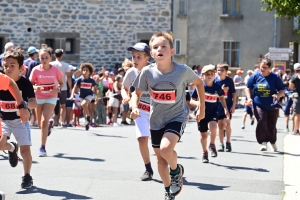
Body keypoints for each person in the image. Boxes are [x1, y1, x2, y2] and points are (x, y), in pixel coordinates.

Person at [130, 31, 205, 199]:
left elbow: (199, 84)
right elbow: (137, 93)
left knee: (165, 148)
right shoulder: (147, 72)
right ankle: (167, 190)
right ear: (151, 53)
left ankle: (176, 171)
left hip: (176, 117)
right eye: (155, 47)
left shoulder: (182, 71)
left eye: (164, 46)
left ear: (172, 51)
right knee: (160, 159)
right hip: (156, 120)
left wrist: (202, 109)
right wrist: (135, 107)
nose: (159, 49)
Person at [0, 50, 34, 188]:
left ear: (21, 68)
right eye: (5, 65)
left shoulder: (25, 83)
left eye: (12, 65)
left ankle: (27, 176)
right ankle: (12, 148)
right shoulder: (1, 80)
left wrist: (23, 105)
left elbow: (34, 102)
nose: (8, 68)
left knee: (25, 151)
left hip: (20, 120)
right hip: (4, 120)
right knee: (0, 145)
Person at [121, 42, 154, 181]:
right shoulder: (131, 72)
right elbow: (124, 87)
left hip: (157, 111)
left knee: (160, 144)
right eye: (133, 56)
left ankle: (171, 165)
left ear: (147, 57)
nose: (135, 59)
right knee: (142, 139)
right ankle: (148, 169)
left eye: (139, 56)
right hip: (139, 109)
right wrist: (126, 96)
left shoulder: (155, 71)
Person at [191, 65, 229, 163]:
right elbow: (192, 100)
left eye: (212, 74)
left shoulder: (217, 87)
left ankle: (212, 144)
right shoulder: (200, 87)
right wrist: (197, 103)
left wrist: (225, 109)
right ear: (202, 76)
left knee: (213, 127)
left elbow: (221, 97)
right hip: (202, 113)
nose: (209, 76)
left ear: (214, 75)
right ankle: (204, 152)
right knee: (203, 135)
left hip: (213, 112)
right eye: (207, 74)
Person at [29, 48, 64, 157]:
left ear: (50, 58)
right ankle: (49, 125)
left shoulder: (56, 70)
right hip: (38, 98)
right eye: (42, 58)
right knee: (40, 124)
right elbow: (30, 84)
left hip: (51, 97)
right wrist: (35, 87)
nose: (44, 60)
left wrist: (57, 89)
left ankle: (42, 147)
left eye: (46, 58)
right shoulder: (35, 70)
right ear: (39, 58)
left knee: (44, 121)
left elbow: (61, 83)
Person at [245, 59, 284, 151]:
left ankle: (273, 141)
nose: (262, 69)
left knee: (272, 124)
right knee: (262, 121)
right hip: (258, 104)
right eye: (261, 67)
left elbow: (282, 90)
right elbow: (247, 87)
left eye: (265, 68)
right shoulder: (255, 76)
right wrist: (249, 98)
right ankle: (263, 142)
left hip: (272, 105)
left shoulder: (275, 77)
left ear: (269, 68)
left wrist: (278, 95)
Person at [214, 63, 236, 152]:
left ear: (226, 72)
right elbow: (212, 93)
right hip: (218, 106)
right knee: (220, 125)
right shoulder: (214, 81)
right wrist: (221, 91)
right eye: (218, 70)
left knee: (227, 124)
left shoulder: (229, 81)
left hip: (228, 105)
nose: (220, 72)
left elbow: (234, 94)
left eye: (222, 70)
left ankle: (228, 142)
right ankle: (221, 143)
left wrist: (234, 106)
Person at [70, 63, 98, 130]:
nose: (85, 72)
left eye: (87, 70)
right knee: (84, 109)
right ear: (82, 71)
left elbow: (96, 89)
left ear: (90, 72)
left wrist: (96, 97)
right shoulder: (79, 80)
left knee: (83, 104)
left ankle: (88, 117)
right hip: (82, 96)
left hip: (89, 95)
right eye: (84, 70)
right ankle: (87, 121)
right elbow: (74, 88)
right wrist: (71, 95)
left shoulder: (92, 80)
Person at [50, 49, 72, 128]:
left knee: (52, 104)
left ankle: (53, 121)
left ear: (54, 55)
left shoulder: (51, 64)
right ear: (62, 56)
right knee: (63, 105)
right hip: (63, 88)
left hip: (53, 87)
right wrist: (70, 88)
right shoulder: (66, 65)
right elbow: (69, 77)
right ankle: (62, 122)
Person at [289, 63, 300, 135]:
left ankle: (296, 130)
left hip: (298, 96)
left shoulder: (294, 77)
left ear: (295, 70)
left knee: (296, 114)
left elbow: (291, 87)